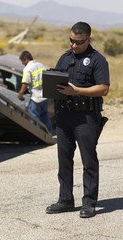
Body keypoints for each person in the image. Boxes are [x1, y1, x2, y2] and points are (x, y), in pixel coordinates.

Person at [46, 22, 110, 218]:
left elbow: (103, 89)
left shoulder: (98, 60)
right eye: (71, 41)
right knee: (64, 160)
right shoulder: (64, 58)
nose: (74, 45)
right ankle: (65, 200)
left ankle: (89, 203)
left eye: (79, 42)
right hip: (64, 116)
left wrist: (77, 91)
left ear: (88, 39)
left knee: (88, 160)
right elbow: (57, 83)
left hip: (86, 117)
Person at [18, 50, 52, 133]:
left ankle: (37, 133)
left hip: (35, 98)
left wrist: (20, 94)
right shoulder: (41, 65)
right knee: (44, 115)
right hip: (45, 96)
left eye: (22, 62)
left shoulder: (28, 69)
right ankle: (49, 132)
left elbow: (25, 84)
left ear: (25, 59)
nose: (22, 64)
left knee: (34, 116)